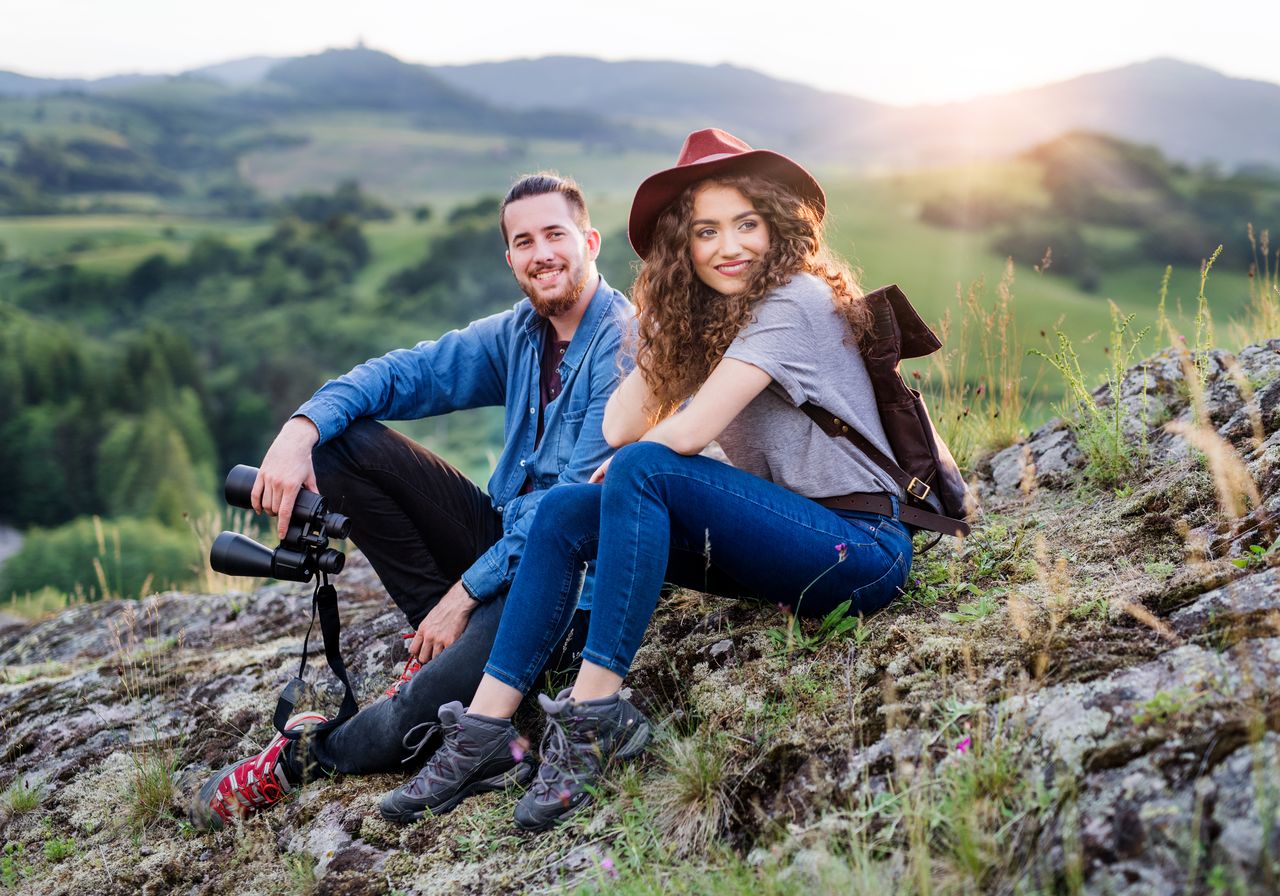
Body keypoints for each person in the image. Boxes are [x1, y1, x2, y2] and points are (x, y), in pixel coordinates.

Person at [378, 128, 914, 830]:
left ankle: (597, 715)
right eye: (706, 232)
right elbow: (620, 424)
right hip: (792, 542)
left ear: (777, 227)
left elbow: (676, 437)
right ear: (683, 247)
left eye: (746, 225)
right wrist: (664, 320)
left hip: (861, 551)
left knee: (642, 469)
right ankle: (484, 735)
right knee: (569, 510)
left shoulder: (795, 302)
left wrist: (635, 463)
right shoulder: (723, 320)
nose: (729, 247)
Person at [189, 172, 634, 829]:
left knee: (410, 721)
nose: (541, 252)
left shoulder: (621, 344)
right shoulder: (520, 333)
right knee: (343, 444)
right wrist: (300, 428)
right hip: (504, 544)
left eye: (555, 235)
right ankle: (445, 649)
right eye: (523, 241)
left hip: (572, 582)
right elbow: (407, 371)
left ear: (589, 241)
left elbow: (570, 505)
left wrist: (464, 594)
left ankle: (302, 758)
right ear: (509, 258)